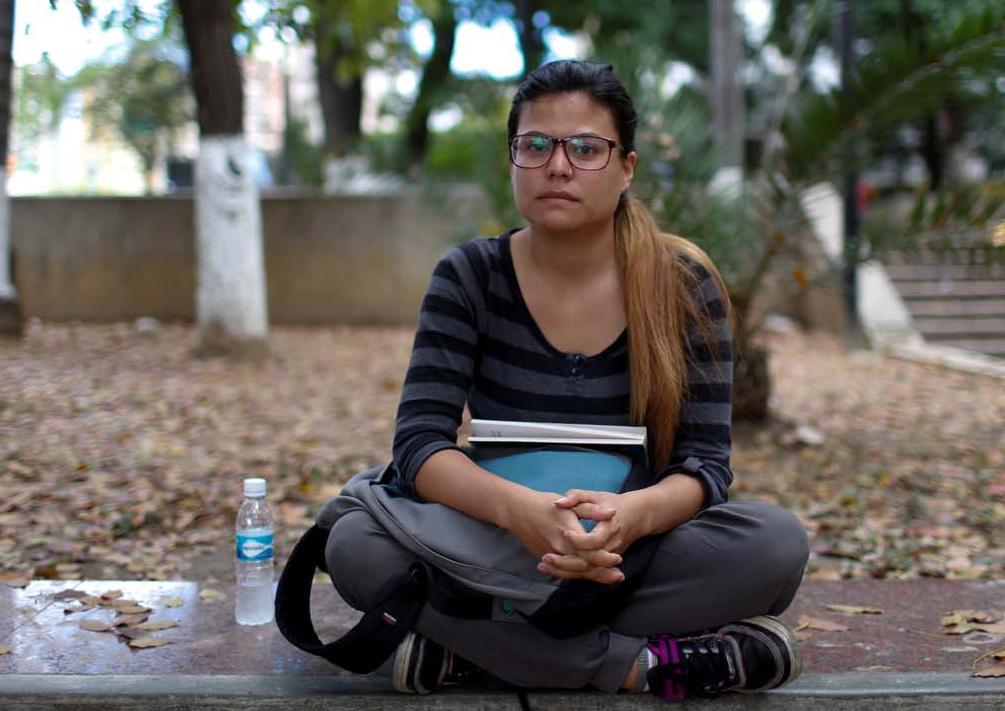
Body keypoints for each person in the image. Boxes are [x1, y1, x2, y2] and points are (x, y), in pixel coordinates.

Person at [325, 60, 809, 700]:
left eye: (586, 148)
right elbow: (418, 447)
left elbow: (705, 466)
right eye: (536, 146)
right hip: (493, 539)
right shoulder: (470, 276)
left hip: (628, 555)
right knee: (354, 543)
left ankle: (473, 653)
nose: (559, 166)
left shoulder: (682, 284)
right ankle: (644, 666)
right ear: (513, 159)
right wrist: (523, 515)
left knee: (773, 546)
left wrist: (630, 517)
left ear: (626, 167)